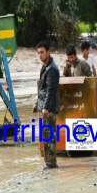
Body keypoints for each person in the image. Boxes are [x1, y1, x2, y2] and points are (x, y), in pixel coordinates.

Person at [33, 41, 60, 169]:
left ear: (48, 52)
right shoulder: (45, 66)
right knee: (46, 135)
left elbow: (51, 90)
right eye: (38, 53)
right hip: (45, 105)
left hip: (49, 108)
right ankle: (48, 162)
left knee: (49, 135)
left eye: (42, 52)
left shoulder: (52, 69)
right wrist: (37, 103)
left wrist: (46, 108)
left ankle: (51, 164)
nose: (40, 55)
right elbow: (42, 89)